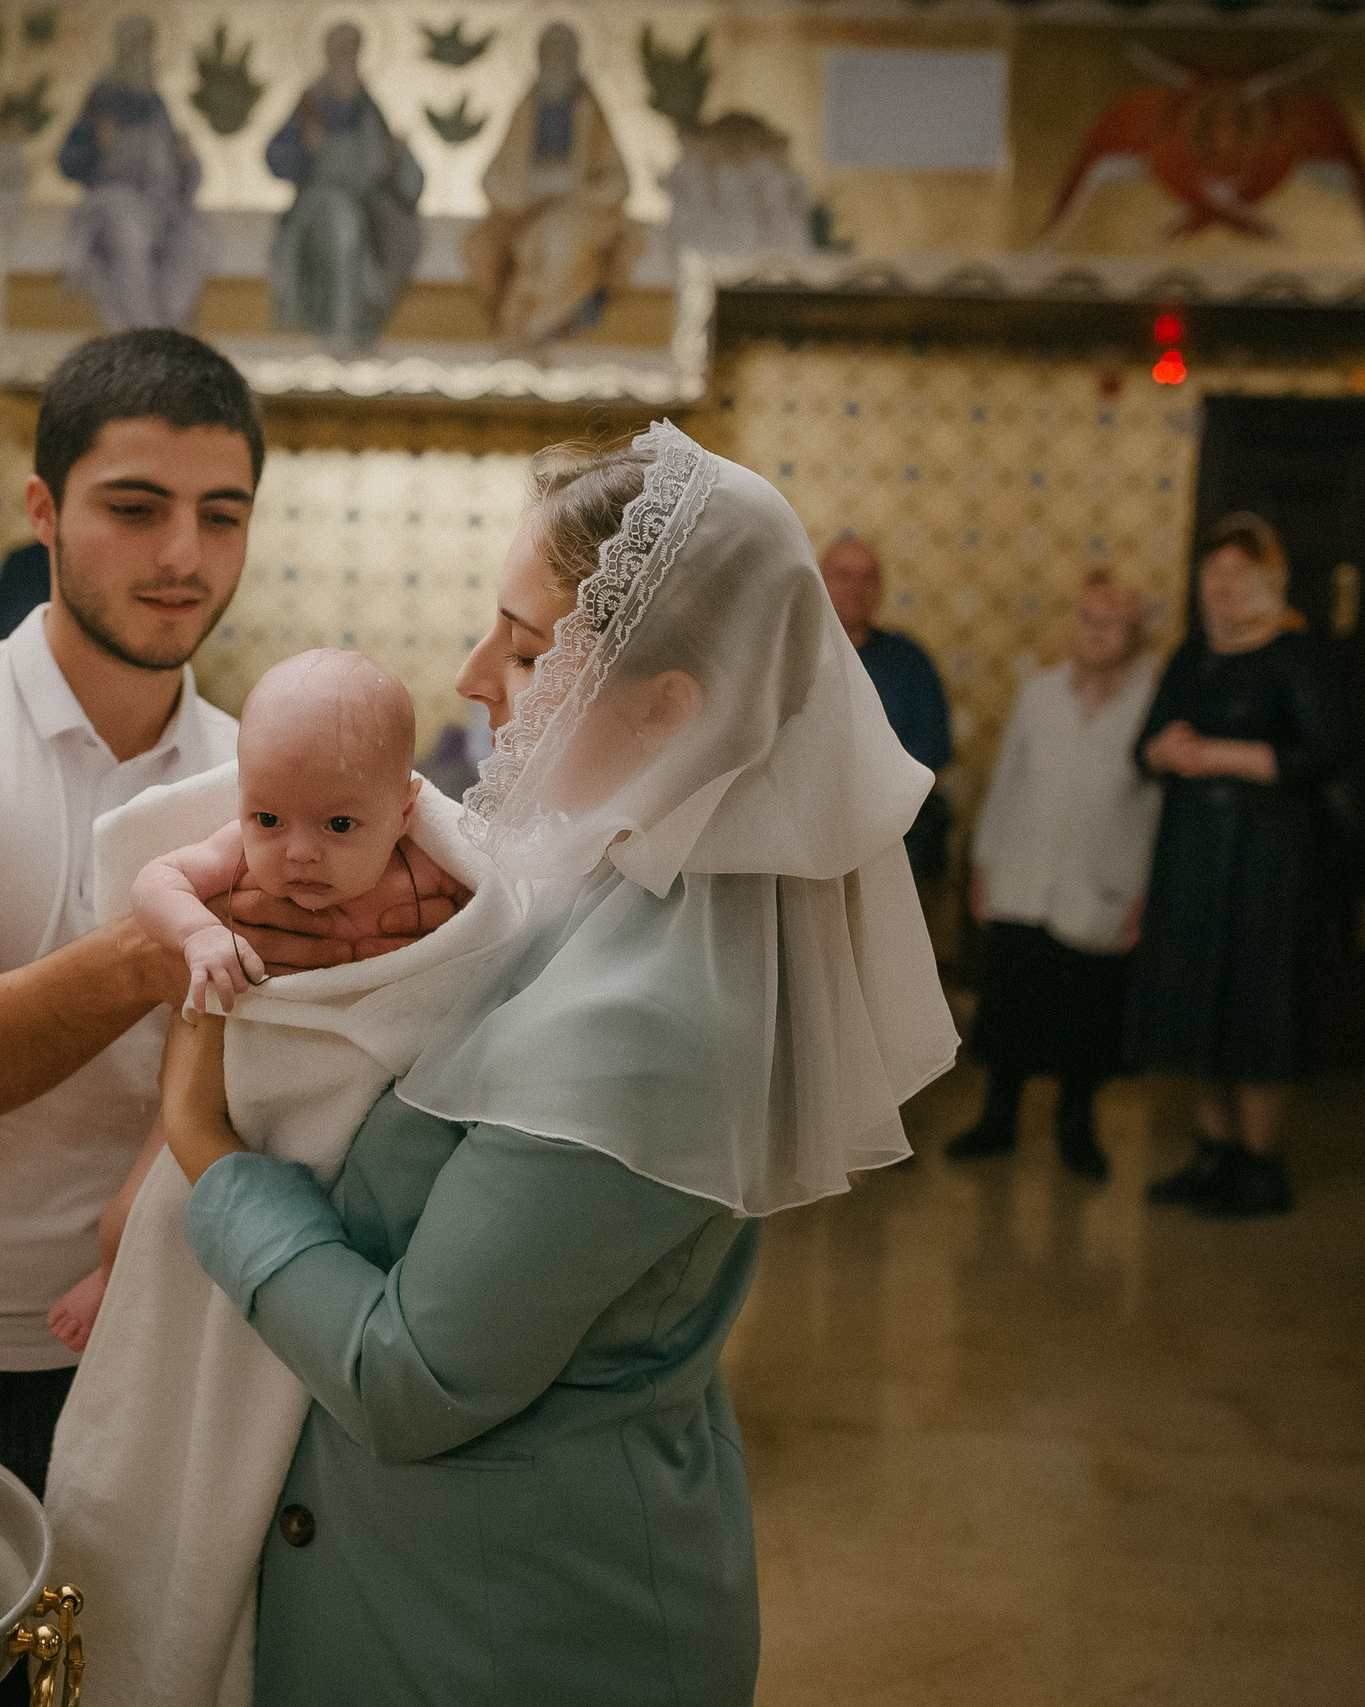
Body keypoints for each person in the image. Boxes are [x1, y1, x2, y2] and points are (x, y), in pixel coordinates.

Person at [148, 422, 955, 1706]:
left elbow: (408, 1381)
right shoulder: (597, 877)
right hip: (447, 1588)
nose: (471, 677)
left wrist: (202, 1140)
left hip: (517, 1625)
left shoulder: (652, 1020)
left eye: (525, 649)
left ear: (670, 709)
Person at [0, 332, 464, 1500]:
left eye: (223, 515)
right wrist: (150, 954)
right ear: (43, 511)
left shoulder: (260, 785)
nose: (183, 554)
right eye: (134, 506)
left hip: (117, 1357)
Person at [46, 649, 434, 1352]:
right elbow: (157, 878)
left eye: (339, 826)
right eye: (268, 818)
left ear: (405, 811)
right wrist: (197, 935)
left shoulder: (430, 871)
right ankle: (111, 1275)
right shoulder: (236, 847)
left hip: (348, 1081)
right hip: (232, 1065)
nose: (298, 852)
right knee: (138, 1208)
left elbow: (493, 930)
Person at [1130, 513, 1346, 1219]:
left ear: (1267, 580)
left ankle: (1261, 1164)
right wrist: (1164, 751)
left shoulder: (1295, 655)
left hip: (1267, 860)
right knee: (1202, 1001)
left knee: (1256, 1005)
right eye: (1211, 572)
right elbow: (1143, 747)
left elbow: (1324, 756)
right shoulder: (1192, 655)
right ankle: (1211, 1152)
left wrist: (1222, 756)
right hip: (1193, 853)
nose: (1220, 586)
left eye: (1236, 573)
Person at [949, 571, 1163, 1181]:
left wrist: (1142, 893)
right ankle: (998, 1118)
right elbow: (1006, 777)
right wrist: (985, 862)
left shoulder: (1149, 702)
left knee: (1087, 1011)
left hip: (1102, 875)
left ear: (1134, 633)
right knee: (1011, 1001)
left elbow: (1154, 806)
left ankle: (1077, 1124)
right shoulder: (1041, 690)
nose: (1093, 634)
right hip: (1023, 868)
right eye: (1086, 619)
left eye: (1109, 623)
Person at [463, 23, 633, 350]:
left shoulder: (591, 113)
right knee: (482, 244)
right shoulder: (526, 110)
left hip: (581, 214)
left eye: (563, 53)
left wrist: (576, 186)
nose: (556, 60)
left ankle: (538, 329)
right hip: (521, 212)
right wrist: (526, 188)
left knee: (556, 235)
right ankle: (518, 328)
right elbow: (491, 178)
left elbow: (620, 182)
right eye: (549, 53)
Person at [264, 23, 425, 354]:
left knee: (403, 230)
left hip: (367, 201)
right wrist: (304, 148)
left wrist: (397, 157)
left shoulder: (366, 106)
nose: (347, 63)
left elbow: (397, 175)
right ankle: (340, 328)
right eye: (341, 55)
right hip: (317, 204)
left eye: (352, 55)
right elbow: (275, 157)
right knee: (342, 219)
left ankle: (366, 327)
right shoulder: (310, 104)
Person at [57, 16, 210, 333]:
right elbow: (67, 162)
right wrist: (98, 145)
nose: (144, 57)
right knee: (130, 230)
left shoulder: (156, 104)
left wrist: (185, 160)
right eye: (138, 48)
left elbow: (178, 178)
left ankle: (166, 329)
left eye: (149, 49)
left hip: (159, 205)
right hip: (111, 202)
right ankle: (144, 329)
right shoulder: (100, 101)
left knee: (195, 238)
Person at [822, 534, 954, 882]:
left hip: (894, 836)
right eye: (844, 575)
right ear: (819, 578)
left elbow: (932, 750)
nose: (857, 587)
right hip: (814, 831)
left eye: (868, 577)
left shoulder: (910, 659)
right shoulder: (795, 654)